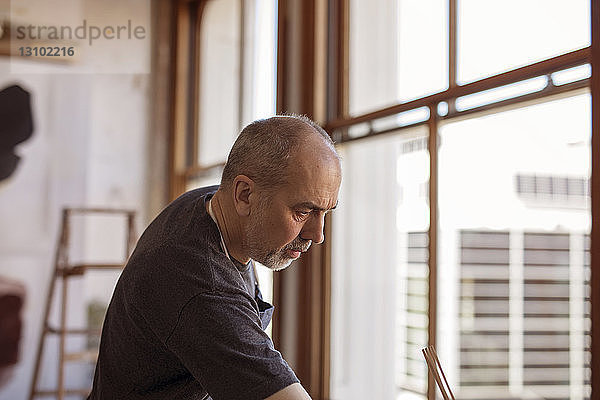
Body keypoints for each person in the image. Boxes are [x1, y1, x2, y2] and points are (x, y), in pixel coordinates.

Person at [88, 115, 342, 400]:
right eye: (303, 211)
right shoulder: (202, 285)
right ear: (244, 195)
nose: (317, 235)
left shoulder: (207, 205)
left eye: (326, 212)